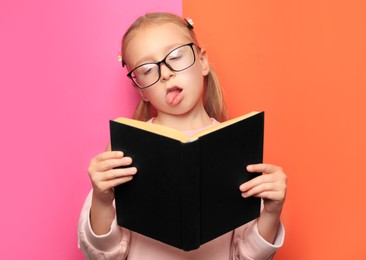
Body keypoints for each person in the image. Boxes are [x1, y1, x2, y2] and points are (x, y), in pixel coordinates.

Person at [78, 12, 287, 259]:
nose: (165, 73)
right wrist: (102, 200)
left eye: (176, 56)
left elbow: (246, 255)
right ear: (141, 90)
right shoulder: (126, 145)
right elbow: (102, 254)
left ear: (203, 61)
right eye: (147, 69)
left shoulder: (233, 144)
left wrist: (272, 212)